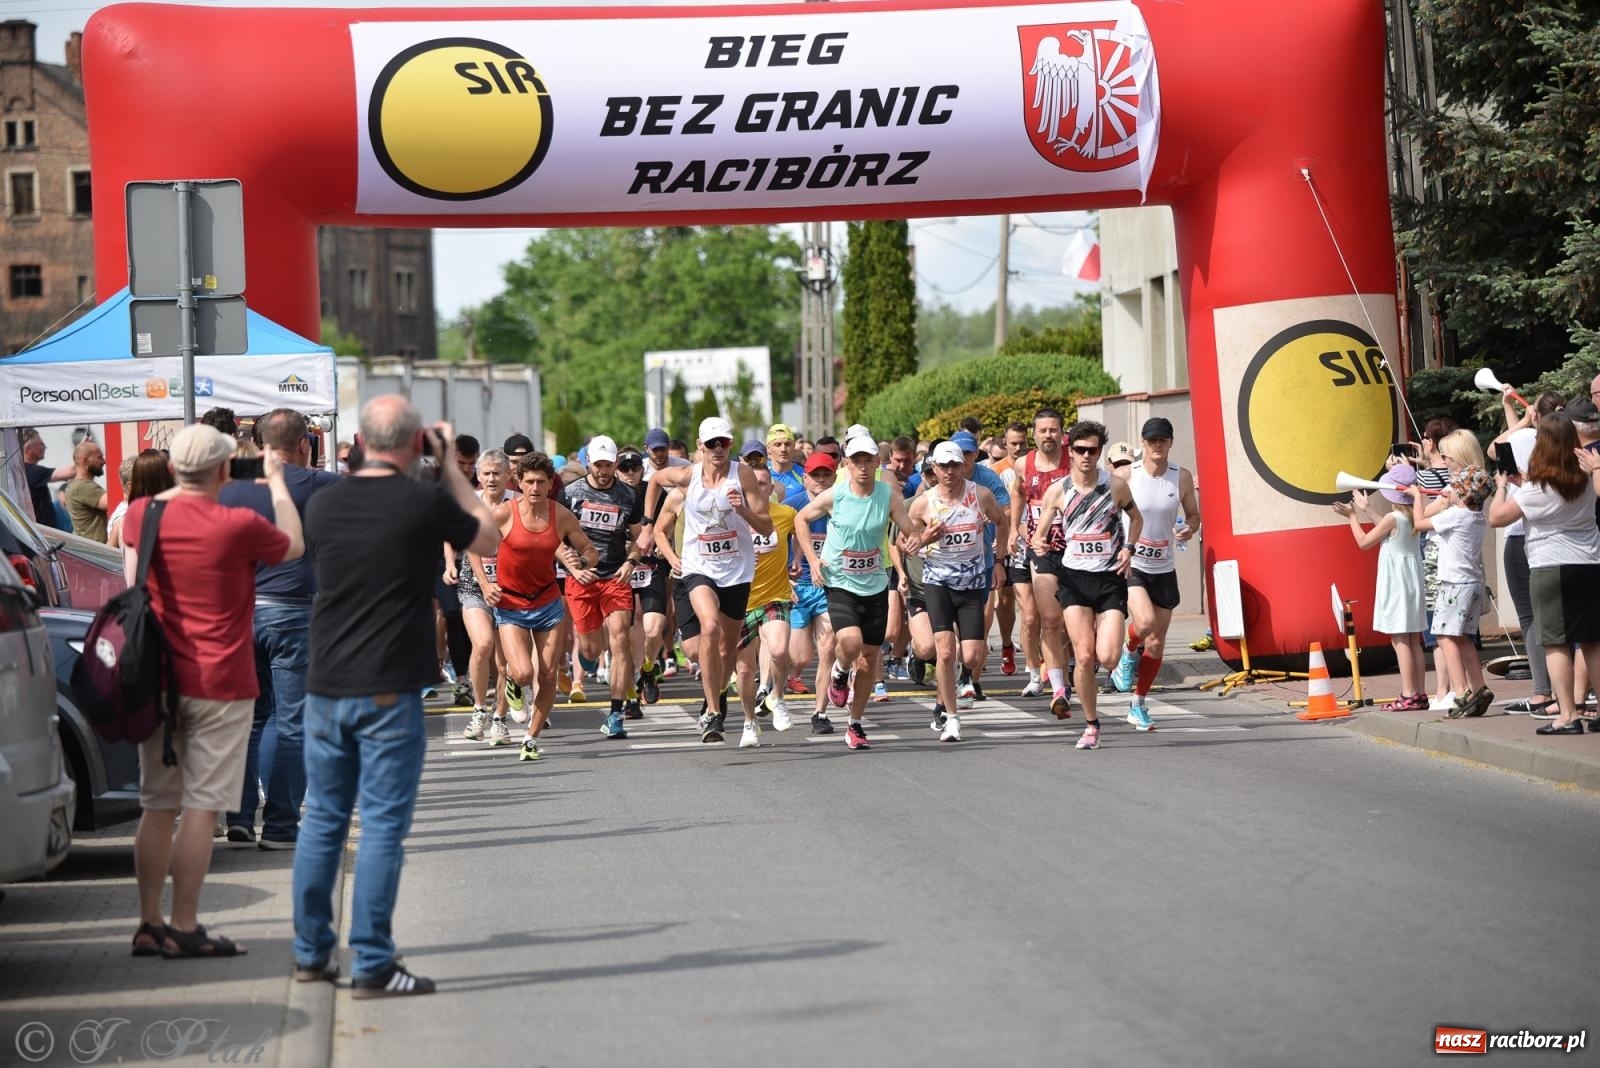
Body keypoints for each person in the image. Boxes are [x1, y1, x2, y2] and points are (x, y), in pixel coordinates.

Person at [293, 399, 497, 997]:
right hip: (388, 687)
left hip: (327, 684)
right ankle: (374, 963)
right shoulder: (424, 498)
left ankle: (310, 953)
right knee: (381, 825)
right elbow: (488, 533)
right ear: (416, 445)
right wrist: (448, 467)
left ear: (357, 440)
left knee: (323, 821)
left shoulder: (324, 501)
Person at [122, 424, 302, 960]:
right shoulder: (237, 523)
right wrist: (274, 481)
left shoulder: (140, 514)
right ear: (225, 470)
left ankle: (149, 923)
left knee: (158, 805)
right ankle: (185, 925)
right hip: (220, 681)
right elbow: (293, 545)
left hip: (157, 681)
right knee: (201, 807)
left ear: (173, 468)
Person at [220, 409, 342, 850]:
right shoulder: (319, 484)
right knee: (292, 721)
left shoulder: (230, 482)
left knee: (249, 719)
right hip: (292, 612)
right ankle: (279, 827)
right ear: (305, 444)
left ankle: (237, 816)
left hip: (238, 612)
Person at [646, 417, 773, 743]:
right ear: (700, 447)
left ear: (730, 445)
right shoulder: (688, 477)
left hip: (736, 571)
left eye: (724, 443)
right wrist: (648, 523)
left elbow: (767, 527)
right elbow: (655, 479)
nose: (718, 449)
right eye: (712, 444)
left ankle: (717, 694)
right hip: (698, 567)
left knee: (727, 648)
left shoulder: (741, 474)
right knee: (710, 627)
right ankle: (713, 713)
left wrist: (743, 511)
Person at [796, 433, 924, 750]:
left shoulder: (888, 496)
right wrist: (812, 561)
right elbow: (801, 519)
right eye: (857, 461)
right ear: (847, 464)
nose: (863, 467)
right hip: (839, 581)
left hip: (875, 584)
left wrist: (917, 539)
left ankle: (855, 723)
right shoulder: (835, 495)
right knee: (849, 641)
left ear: (877, 463)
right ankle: (839, 672)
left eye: (869, 460)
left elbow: (910, 533)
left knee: (868, 660)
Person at [1487, 412, 1600, 736]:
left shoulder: (1537, 487)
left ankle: (1567, 715)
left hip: (1551, 567)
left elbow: (1497, 518)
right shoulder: (1585, 474)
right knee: (1593, 642)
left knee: (1556, 644)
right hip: (1591, 563)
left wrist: (1503, 487)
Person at [1033, 421, 1142, 750]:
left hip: (1109, 579)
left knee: (1106, 658)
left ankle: (1116, 658)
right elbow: (1038, 534)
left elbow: (1136, 519)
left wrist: (1129, 548)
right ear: (1070, 451)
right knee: (1082, 656)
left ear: (1099, 452)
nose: (1085, 456)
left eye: (1092, 450)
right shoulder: (1058, 490)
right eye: (1079, 450)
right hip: (1074, 579)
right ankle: (1091, 725)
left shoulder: (1116, 486)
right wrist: (1039, 543)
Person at [494, 452, 598, 759]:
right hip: (511, 602)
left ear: (549, 483)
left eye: (541, 482)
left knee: (549, 674)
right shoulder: (504, 513)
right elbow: (473, 545)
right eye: (529, 482)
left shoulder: (561, 515)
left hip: (548, 602)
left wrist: (583, 562)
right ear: (519, 483)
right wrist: (486, 585)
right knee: (524, 672)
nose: (535, 488)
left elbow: (588, 549)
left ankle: (530, 738)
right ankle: (514, 683)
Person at [909, 441, 1009, 741]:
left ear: (963, 466)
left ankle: (942, 699)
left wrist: (1000, 557)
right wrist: (925, 536)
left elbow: (1003, 521)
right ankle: (952, 718)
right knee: (944, 650)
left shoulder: (979, 495)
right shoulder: (923, 503)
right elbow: (908, 545)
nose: (950, 471)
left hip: (972, 582)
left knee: (972, 654)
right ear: (934, 468)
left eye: (956, 465)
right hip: (938, 582)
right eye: (944, 466)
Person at [1109, 418, 1200, 731]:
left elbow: (1194, 514)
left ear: (1170, 442)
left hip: (1164, 566)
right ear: (1143, 444)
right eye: (1151, 441)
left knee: (1157, 644)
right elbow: (1102, 510)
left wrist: (1189, 528)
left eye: (1162, 440)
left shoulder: (1181, 478)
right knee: (1145, 623)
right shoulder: (1125, 475)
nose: (1157, 445)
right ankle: (1126, 648)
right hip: (1133, 564)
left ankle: (1138, 703)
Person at [564, 435, 647, 738]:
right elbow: (556, 537)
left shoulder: (628, 494)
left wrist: (631, 562)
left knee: (620, 639)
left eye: (608, 464)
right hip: (582, 578)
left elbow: (639, 537)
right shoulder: (571, 493)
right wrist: (573, 565)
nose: (603, 470)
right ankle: (587, 657)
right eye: (598, 464)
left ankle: (616, 713)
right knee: (590, 647)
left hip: (615, 576)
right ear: (589, 462)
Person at [1490, 390, 1566, 715]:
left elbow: (1497, 448)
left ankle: (1542, 692)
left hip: (1523, 536)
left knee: (1532, 619)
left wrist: (1504, 486)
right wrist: (1513, 409)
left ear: (1534, 415)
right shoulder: (1561, 445)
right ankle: (1572, 693)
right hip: (1564, 542)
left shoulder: (1522, 437)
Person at [1333, 464, 1428, 711]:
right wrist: (1367, 510)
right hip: (1411, 581)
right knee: (1413, 639)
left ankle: (1407, 694)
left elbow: (1365, 542)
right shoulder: (1414, 516)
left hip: (1396, 584)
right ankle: (1419, 693)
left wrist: (1352, 516)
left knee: (1399, 640)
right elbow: (1389, 531)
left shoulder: (1392, 518)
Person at [1407, 466, 1493, 717]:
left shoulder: (1455, 515)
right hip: (1472, 584)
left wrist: (1416, 498)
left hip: (1454, 585)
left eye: (1455, 486)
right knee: (1463, 638)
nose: (1449, 489)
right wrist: (1449, 497)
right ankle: (1479, 687)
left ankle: (1461, 690)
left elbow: (1419, 523)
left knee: (1444, 637)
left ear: (1464, 495)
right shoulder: (1477, 516)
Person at [1008, 408, 1074, 703]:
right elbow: (1018, 493)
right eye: (1043, 430)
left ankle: (1066, 667)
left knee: (1069, 620)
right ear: (1034, 435)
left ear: (1062, 433)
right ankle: (1057, 686)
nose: (1048, 435)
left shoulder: (1074, 461)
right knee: (1047, 618)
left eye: (1053, 430)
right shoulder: (1025, 463)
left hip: (1075, 550)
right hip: (1041, 549)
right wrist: (1013, 529)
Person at [732, 465, 799, 743]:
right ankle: (749, 722)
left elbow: (803, 531)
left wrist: (798, 560)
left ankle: (777, 697)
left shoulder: (786, 515)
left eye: (763, 483)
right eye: (752, 484)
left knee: (780, 649)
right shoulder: (731, 517)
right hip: (741, 600)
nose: (757, 488)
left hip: (776, 595)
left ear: (771, 489)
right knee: (745, 672)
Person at [459, 450, 519, 744]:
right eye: (486, 473)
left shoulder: (518, 504)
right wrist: (484, 584)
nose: (492, 478)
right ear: (478, 476)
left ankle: (500, 718)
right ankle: (479, 709)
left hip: (511, 588)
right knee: (482, 644)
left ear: (509, 475)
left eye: (497, 472)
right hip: (475, 584)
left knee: (505, 661)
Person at [785, 451, 842, 731]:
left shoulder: (844, 503)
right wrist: (784, 580)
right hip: (797, 588)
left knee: (828, 647)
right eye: (815, 475)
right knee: (800, 657)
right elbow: (768, 545)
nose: (820, 480)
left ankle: (820, 713)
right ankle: (771, 688)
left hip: (829, 586)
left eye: (826, 474)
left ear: (835, 476)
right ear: (805, 477)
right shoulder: (791, 505)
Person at [20, 428, 72, 530]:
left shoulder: (25, 471)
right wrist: (82, 451)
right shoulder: (31, 471)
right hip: (39, 534)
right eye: (41, 444)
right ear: (29, 448)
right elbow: (69, 472)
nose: (45, 447)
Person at [64, 438, 110, 542]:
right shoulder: (83, 487)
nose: (104, 461)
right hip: (96, 552)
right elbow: (114, 501)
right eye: (99, 457)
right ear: (85, 460)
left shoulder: (75, 484)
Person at [767, 423, 805, 500]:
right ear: (768, 448)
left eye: (787, 444)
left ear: (794, 446)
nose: (783, 449)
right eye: (778, 445)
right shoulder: (760, 473)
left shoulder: (803, 474)